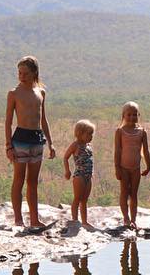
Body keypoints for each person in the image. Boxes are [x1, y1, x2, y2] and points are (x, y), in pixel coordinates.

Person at [5, 55, 55, 228]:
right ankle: (18, 219)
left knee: (33, 182)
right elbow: (8, 121)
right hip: (20, 139)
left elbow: (44, 119)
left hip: (37, 139)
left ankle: (34, 219)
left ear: (34, 72)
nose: (21, 76)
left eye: (25, 73)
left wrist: (51, 142)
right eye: (19, 73)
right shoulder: (14, 93)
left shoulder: (41, 92)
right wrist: (8, 145)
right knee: (18, 179)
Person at [113, 101, 150, 230]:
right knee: (124, 192)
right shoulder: (120, 131)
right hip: (123, 168)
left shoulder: (142, 132)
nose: (132, 117)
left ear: (138, 115)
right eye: (129, 114)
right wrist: (117, 168)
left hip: (136, 168)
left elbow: (145, 150)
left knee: (133, 194)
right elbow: (117, 151)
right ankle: (126, 218)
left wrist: (148, 166)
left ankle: (134, 220)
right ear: (123, 115)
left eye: (134, 114)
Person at [62, 119, 96, 226]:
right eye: (89, 134)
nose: (91, 136)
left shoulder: (88, 146)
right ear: (80, 133)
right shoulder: (75, 145)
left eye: (92, 134)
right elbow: (65, 157)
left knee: (85, 200)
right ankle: (75, 220)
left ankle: (85, 221)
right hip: (79, 175)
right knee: (77, 198)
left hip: (88, 176)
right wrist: (67, 170)